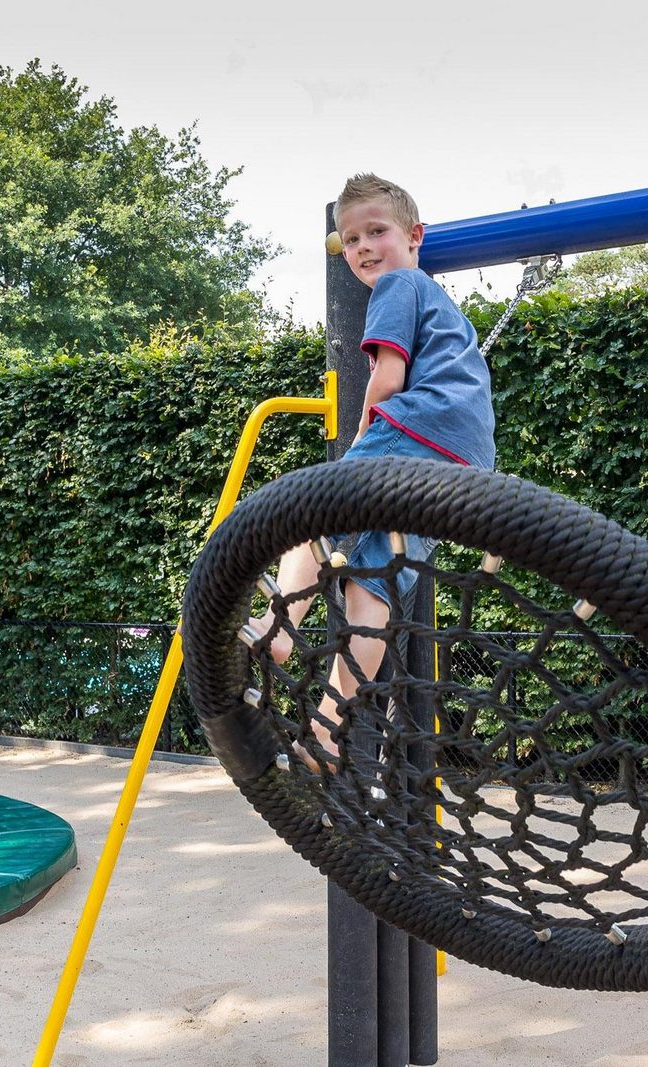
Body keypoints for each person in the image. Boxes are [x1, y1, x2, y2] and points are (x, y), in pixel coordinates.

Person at [246, 173, 496, 770]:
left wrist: (362, 434)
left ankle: (280, 620)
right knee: (373, 584)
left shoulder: (401, 283)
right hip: (464, 461)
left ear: (414, 236)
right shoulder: (441, 306)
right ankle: (331, 726)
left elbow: (388, 376)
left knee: (313, 507)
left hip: (417, 427)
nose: (362, 248)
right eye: (350, 239)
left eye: (375, 231)